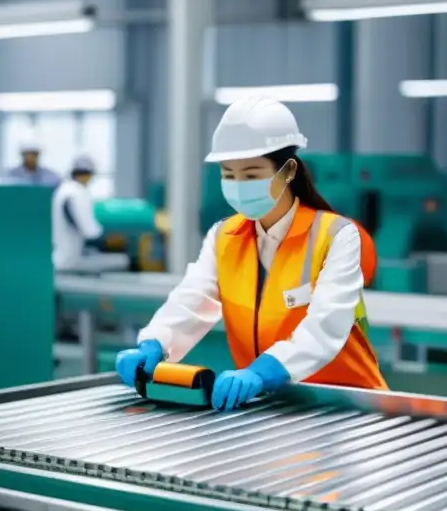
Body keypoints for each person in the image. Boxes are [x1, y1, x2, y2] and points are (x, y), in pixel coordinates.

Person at [115, 96, 386, 411]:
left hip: (349, 409)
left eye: (252, 174)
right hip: (271, 408)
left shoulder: (335, 236)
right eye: (229, 174)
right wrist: (156, 342)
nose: (239, 185)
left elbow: (326, 327)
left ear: (288, 171)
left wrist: (263, 371)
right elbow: (191, 301)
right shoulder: (224, 236)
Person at [52, 154, 105, 271]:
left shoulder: (72, 190)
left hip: (69, 252)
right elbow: (75, 217)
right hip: (65, 255)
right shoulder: (72, 191)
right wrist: (94, 233)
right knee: (64, 260)